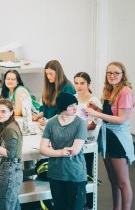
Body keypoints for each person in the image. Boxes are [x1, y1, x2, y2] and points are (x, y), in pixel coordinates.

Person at [85, 62, 134, 210]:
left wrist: (95, 113)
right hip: (107, 136)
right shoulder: (110, 90)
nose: (112, 76)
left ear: (122, 75)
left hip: (118, 139)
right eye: (109, 73)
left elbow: (121, 119)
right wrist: (97, 108)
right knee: (113, 180)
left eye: (116, 73)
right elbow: (109, 114)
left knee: (123, 182)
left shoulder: (125, 91)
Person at [40, 92, 87, 210]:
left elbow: (75, 150)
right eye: (71, 105)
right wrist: (60, 152)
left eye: (75, 104)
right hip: (55, 173)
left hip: (74, 174)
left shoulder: (80, 123)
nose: (75, 108)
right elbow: (43, 149)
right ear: (62, 106)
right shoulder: (51, 123)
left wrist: (53, 151)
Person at [73, 72, 102, 209]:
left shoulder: (93, 101)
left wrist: (76, 129)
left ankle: (89, 203)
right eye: (76, 83)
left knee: (88, 172)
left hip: (89, 141)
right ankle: (78, 201)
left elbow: (93, 124)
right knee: (76, 172)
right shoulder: (73, 99)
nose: (79, 86)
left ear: (88, 84)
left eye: (82, 83)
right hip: (74, 141)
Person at [33, 60, 75, 125]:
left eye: (51, 74)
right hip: (49, 126)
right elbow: (45, 109)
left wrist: (47, 122)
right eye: (46, 74)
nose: (48, 77)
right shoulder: (50, 86)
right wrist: (38, 116)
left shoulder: (68, 88)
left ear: (58, 73)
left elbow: (65, 113)